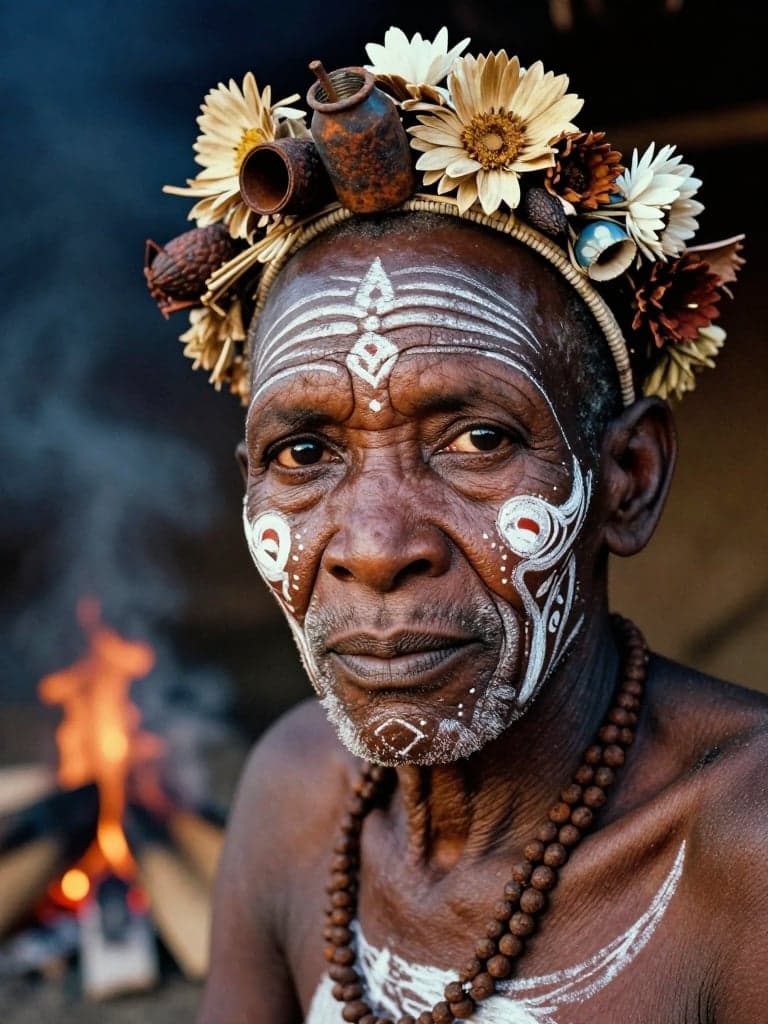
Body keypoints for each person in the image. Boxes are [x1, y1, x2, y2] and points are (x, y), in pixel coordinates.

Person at [146, 28, 764, 1024]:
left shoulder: (745, 850)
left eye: (477, 437)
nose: (376, 546)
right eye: (303, 453)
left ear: (628, 479)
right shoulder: (295, 790)